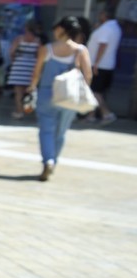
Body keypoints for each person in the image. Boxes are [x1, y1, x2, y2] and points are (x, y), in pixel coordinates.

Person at [30, 16, 94, 181]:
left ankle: (48, 161)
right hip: (70, 96)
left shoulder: (47, 49)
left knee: (46, 130)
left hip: (47, 94)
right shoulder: (80, 50)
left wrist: (32, 87)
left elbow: (37, 72)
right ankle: (54, 162)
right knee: (61, 132)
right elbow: (88, 75)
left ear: (60, 30)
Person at [86, 6, 121, 124]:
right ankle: (92, 115)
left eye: (101, 14)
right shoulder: (114, 27)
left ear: (104, 15)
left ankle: (107, 113)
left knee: (94, 92)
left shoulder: (106, 28)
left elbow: (102, 45)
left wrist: (96, 63)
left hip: (100, 65)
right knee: (97, 91)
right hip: (106, 64)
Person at [6, 22, 43, 119]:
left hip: (19, 66)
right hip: (31, 67)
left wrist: (15, 60)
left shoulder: (19, 39)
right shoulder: (37, 41)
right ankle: (28, 109)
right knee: (29, 90)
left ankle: (19, 112)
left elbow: (11, 52)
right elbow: (40, 55)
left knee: (18, 92)